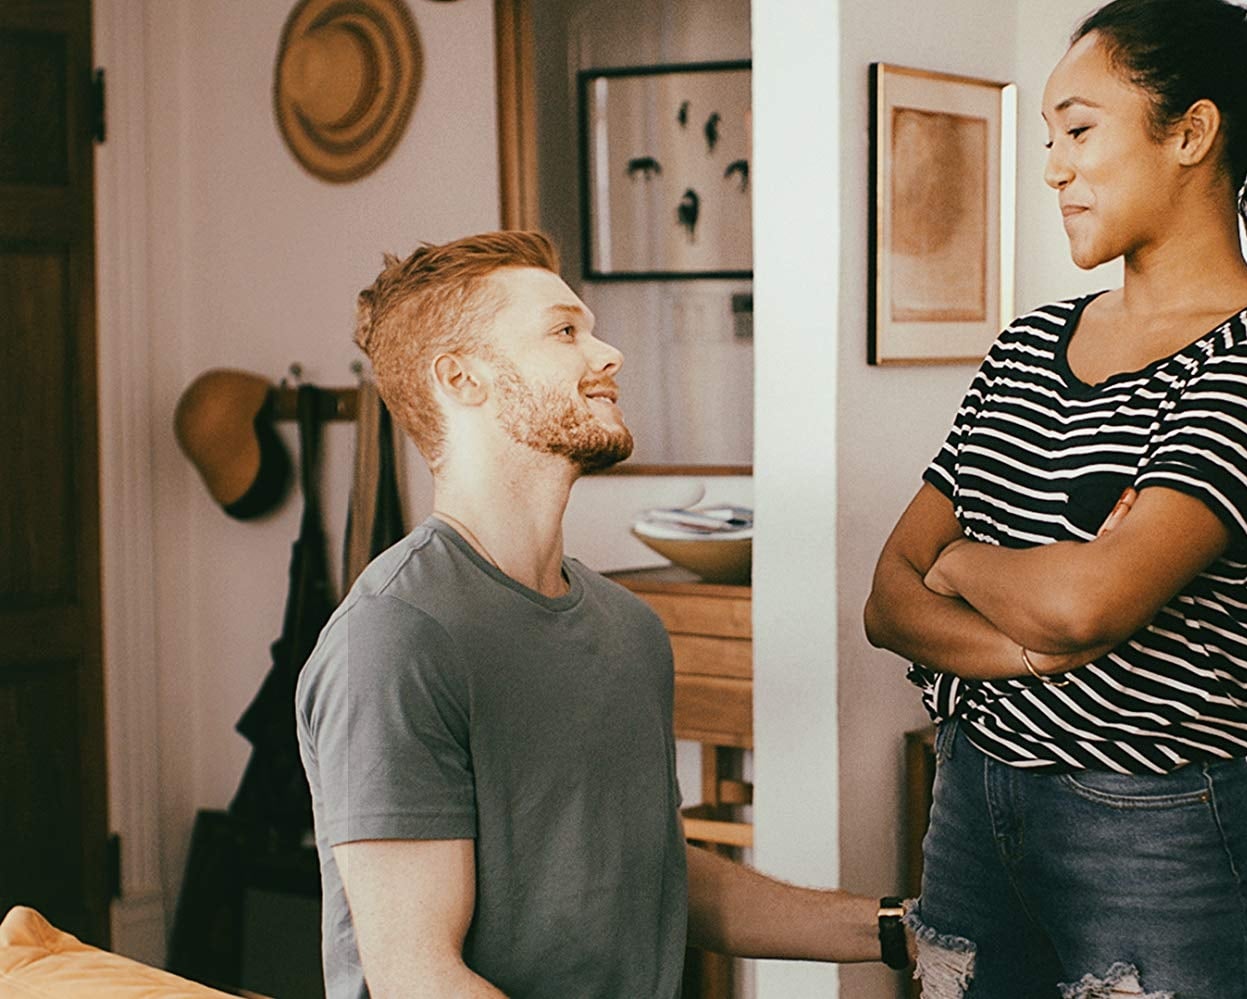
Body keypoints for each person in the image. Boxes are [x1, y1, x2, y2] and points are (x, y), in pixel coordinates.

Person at [864, 1, 1247, 996]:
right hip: (969, 803)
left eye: (1079, 130)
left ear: (1190, 132)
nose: (1053, 168)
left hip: (1150, 834)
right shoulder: (1026, 344)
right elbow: (888, 602)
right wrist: (1033, 638)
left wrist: (959, 563)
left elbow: (1086, 604)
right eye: (1048, 140)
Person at [296, 231, 910, 998]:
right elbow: (419, 977)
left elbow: (655, 879)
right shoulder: (396, 637)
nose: (608, 352)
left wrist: (900, 930)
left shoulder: (628, 627)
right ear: (462, 378)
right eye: (564, 331)